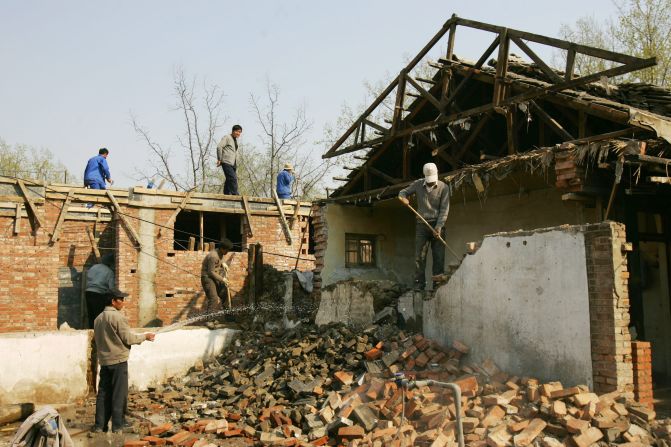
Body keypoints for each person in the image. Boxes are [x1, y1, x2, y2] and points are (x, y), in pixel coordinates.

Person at [92, 289, 155, 434]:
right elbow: (128, 339)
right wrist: (145, 336)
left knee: (103, 394)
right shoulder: (118, 318)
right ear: (113, 301)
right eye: (121, 299)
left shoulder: (98, 319)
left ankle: (99, 426)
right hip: (119, 361)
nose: (123, 302)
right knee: (118, 394)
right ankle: (118, 426)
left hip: (105, 362)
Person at [398, 162, 450, 291]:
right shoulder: (418, 184)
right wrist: (403, 198)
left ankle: (437, 287)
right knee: (419, 257)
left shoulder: (444, 187)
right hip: (422, 225)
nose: (431, 183)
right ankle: (419, 286)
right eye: (429, 181)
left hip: (438, 225)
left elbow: (444, 209)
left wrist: (438, 227)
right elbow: (402, 192)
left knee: (438, 257)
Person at [200, 239, 233, 312]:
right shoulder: (213, 256)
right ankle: (210, 320)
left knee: (226, 295)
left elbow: (220, 259)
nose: (227, 252)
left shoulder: (220, 252)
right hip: (208, 278)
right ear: (222, 248)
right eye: (227, 250)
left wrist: (223, 263)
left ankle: (229, 318)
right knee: (214, 298)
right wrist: (222, 279)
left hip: (215, 277)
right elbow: (210, 272)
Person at [85, 253, 116, 329]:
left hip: (88, 292)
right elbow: (111, 288)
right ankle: (98, 331)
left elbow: (87, 277)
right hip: (99, 294)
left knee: (91, 314)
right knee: (98, 315)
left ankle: (91, 330)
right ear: (110, 263)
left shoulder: (94, 267)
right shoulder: (109, 272)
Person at [216, 125, 242, 195]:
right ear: (233, 131)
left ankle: (226, 194)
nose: (238, 133)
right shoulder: (227, 137)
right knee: (233, 178)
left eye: (240, 132)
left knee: (228, 179)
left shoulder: (235, 140)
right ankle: (235, 194)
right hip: (226, 162)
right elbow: (219, 147)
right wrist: (219, 159)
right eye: (237, 131)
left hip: (233, 163)